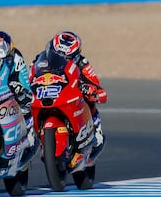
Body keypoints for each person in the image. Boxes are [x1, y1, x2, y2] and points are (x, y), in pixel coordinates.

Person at [32, 30, 108, 161]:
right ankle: (30, 137)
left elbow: (94, 82)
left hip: (72, 91)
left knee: (90, 100)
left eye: (68, 57)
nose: (63, 59)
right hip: (48, 92)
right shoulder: (41, 59)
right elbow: (30, 75)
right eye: (58, 55)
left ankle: (96, 131)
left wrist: (93, 90)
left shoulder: (83, 63)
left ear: (76, 55)